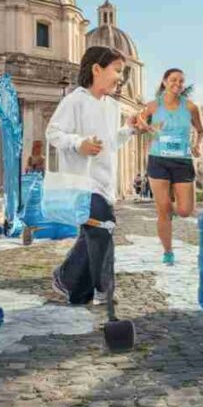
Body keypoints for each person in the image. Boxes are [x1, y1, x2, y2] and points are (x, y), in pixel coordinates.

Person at [48, 46, 148, 305]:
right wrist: (78, 142)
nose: (121, 78)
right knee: (101, 229)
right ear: (96, 69)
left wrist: (128, 130)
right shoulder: (74, 100)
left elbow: (110, 143)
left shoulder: (113, 107)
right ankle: (91, 285)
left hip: (104, 183)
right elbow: (53, 133)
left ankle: (77, 290)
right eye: (117, 70)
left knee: (94, 233)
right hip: (82, 183)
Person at [141, 68, 203, 265]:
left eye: (181, 81)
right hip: (158, 159)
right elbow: (139, 122)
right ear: (164, 82)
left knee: (186, 210)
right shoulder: (153, 106)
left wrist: (196, 145)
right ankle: (168, 251)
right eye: (173, 80)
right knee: (163, 210)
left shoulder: (191, 108)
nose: (177, 84)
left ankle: (168, 209)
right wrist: (144, 126)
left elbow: (200, 131)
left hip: (182, 161)